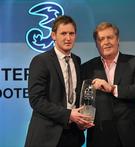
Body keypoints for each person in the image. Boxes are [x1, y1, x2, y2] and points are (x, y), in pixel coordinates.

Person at [81, 22, 135, 147]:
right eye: (101, 39)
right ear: (97, 44)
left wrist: (112, 88)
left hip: (133, 136)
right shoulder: (87, 68)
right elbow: (82, 99)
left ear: (118, 39)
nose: (106, 42)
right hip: (101, 137)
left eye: (110, 37)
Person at [25, 15, 93, 147]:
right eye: (63, 33)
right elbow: (36, 100)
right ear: (53, 35)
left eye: (71, 33)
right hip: (47, 137)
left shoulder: (77, 61)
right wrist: (68, 115)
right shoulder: (41, 61)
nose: (68, 38)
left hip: (73, 136)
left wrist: (81, 118)